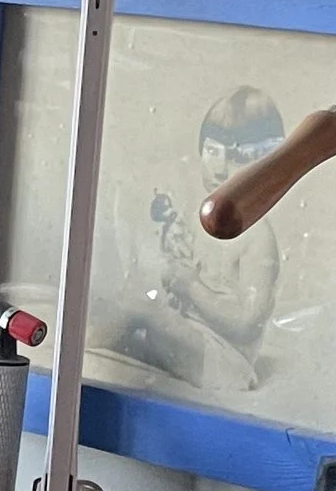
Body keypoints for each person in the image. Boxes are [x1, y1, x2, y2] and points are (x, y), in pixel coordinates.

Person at [115, 84, 288, 400]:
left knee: (140, 312)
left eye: (235, 155)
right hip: (192, 337)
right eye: (212, 151)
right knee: (133, 307)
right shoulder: (201, 213)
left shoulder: (258, 234)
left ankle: (84, 344)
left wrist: (191, 286)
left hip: (226, 360)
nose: (220, 168)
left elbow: (247, 323)